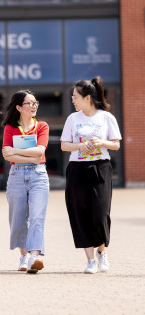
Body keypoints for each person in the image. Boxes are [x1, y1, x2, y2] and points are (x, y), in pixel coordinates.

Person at [60, 76, 121, 274]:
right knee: (80, 214)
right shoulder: (72, 118)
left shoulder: (106, 117)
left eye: (75, 97)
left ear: (87, 98)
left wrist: (101, 143)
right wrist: (80, 145)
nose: (72, 100)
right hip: (77, 168)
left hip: (101, 168)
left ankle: (102, 252)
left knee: (100, 213)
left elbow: (116, 144)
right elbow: (64, 145)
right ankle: (90, 260)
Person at [1, 90, 49, 273]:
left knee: (37, 217)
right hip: (16, 176)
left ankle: (35, 256)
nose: (34, 106)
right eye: (30, 103)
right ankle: (24, 256)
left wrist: (15, 152)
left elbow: (39, 154)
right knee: (18, 219)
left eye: (36, 103)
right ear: (19, 107)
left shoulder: (42, 126)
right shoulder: (10, 128)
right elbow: (6, 154)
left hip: (38, 176)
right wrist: (27, 154)